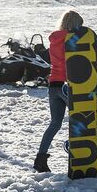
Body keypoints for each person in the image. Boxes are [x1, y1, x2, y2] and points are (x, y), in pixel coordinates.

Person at [34, 10, 77, 172]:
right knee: (80, 118)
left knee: (55, 123)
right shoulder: (73, 40)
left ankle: (40, 158)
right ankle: (77, 149)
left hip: (54, 84)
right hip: (68, 84)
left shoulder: (54, 39)